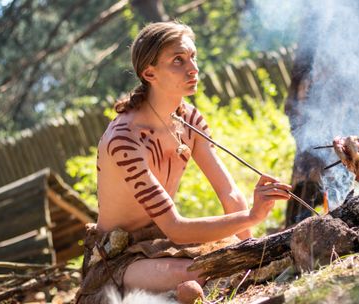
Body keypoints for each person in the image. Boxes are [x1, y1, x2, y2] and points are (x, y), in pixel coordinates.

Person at [75, 21, 291, 304]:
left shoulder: (189, 120)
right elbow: (175, 226)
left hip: (166, 246)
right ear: (149, 73)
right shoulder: (124, 140)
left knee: (235, 260)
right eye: (178, 60)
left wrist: (251, 249)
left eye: (193, 57)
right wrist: (252, 216)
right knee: (200, 274)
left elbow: (229, 194)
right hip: (119, 261)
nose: (193, 68)